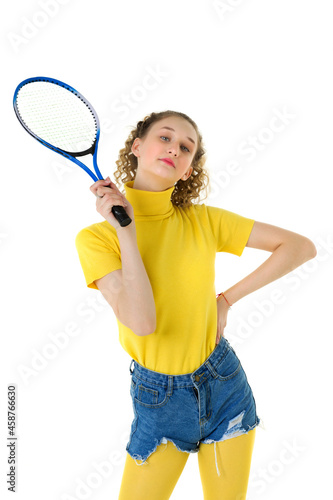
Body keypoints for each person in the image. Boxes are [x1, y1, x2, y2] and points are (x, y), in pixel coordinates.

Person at [75, 110, 317, 500]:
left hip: (223, 385)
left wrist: (226, 299)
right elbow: (141, 322)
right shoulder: (97, 239)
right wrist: (127, 232)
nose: (174, 149)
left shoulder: (204, 221)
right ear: (137, 147)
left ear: (188, 170)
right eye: (165, 138)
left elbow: (301, 247)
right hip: (160, 400)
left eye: (186, 148)